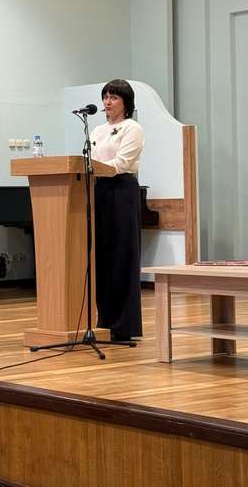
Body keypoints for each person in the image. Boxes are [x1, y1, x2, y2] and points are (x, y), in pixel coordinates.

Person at [90, 79, 145, 341]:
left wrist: (94, 168)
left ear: (126, 102)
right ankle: (105, 321)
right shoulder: (97, 130)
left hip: (121, 190)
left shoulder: (132, 128)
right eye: (105, 97)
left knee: (121, 257)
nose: (107, 102)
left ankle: (124, 327)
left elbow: (121, 163)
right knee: (101, 259)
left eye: (113, 97)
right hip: (97, 191)